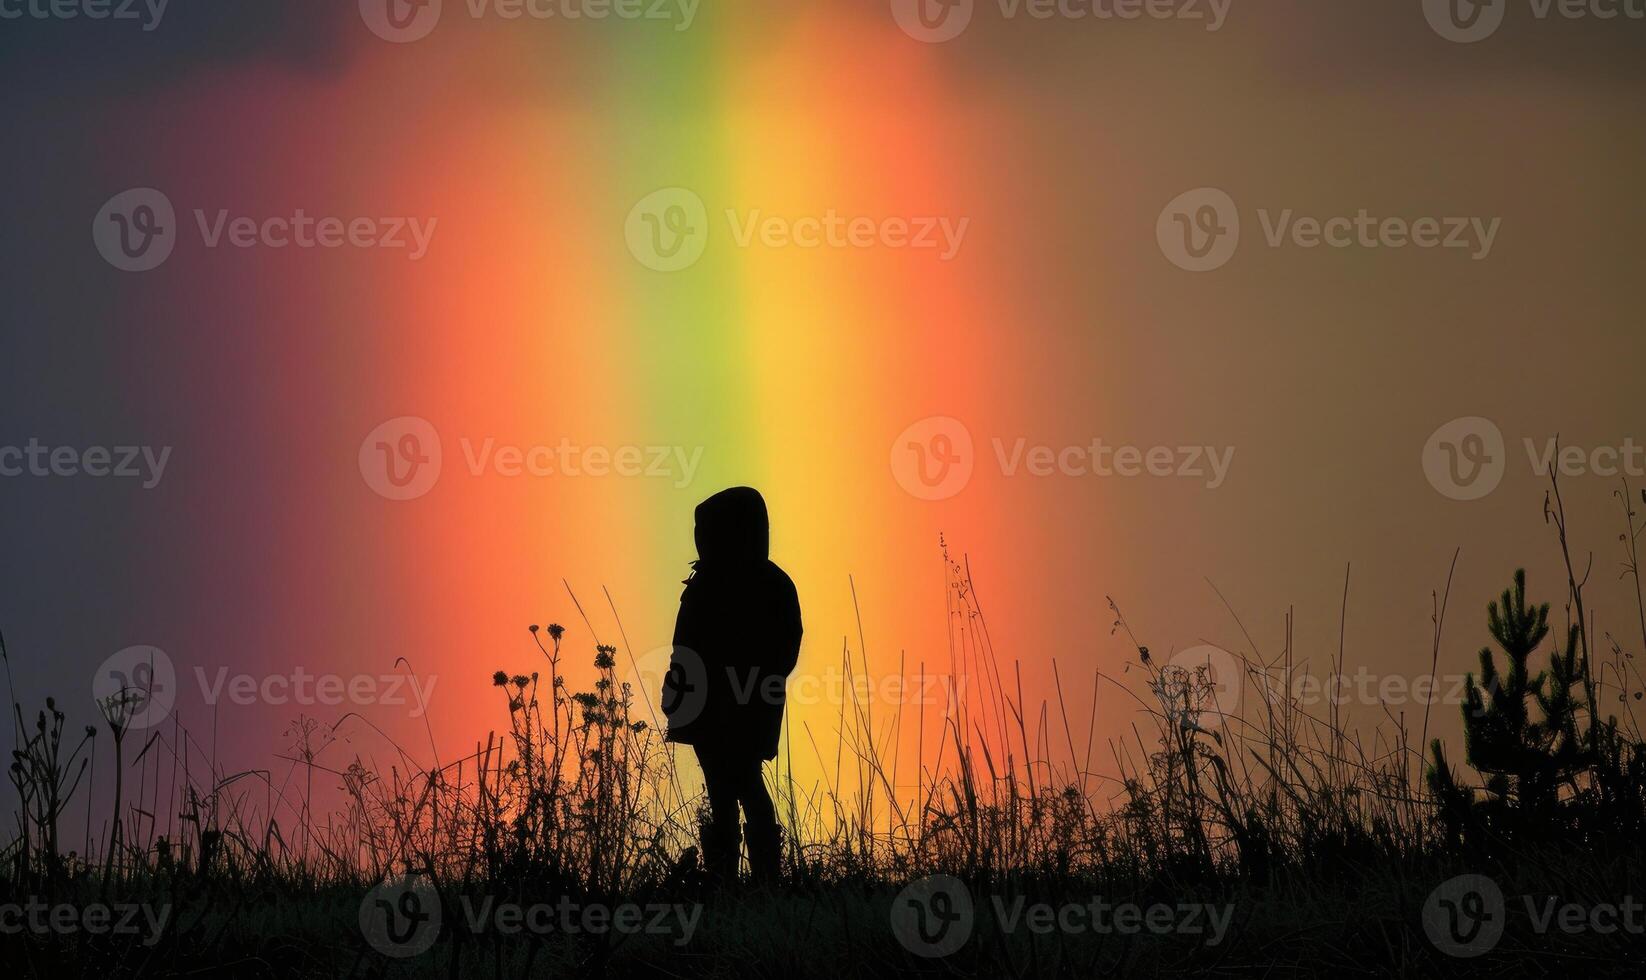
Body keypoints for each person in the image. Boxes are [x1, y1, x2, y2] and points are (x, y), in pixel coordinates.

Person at [662, 487, 802, 886]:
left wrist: (753, 685)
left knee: (744, 784)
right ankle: (730, 881)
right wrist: (678, 688)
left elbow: (783, 648)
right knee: (724, 791)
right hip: (712, 705)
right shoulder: (712, 583)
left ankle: (761, 883)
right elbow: (684, 646)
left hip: (743, 705)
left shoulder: (763, 585)